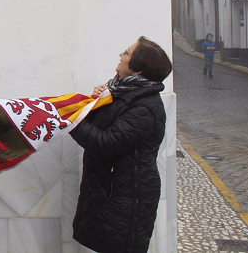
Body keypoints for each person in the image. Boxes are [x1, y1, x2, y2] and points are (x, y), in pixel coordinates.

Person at [69, 36, 173, 253]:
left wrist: (71, 119)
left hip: (127, 197)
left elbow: (107, 143)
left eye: (126, 53)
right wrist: (99, 103)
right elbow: (103, 127)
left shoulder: (144, 107)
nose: (120, 54)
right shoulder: (123, 93)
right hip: (112, 190)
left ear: (138, 70)